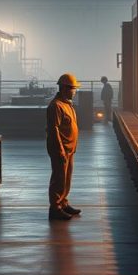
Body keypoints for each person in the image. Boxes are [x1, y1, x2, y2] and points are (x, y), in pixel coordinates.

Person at [46, 73, 81, 220]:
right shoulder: (56, 106)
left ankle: (63, 202)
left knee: (66, 178)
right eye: (73, 89)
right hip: (60, 149)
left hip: (69, 148)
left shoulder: (67, 105)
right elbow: (54, 130)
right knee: (59, 178)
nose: (74, 92)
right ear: (65, 88)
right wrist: (60, 149)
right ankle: (55, 208)